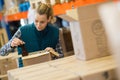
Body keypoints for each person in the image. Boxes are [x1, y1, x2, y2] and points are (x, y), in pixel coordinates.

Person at [0, 2, 63, 67]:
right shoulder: (23, 31)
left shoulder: (55, 32)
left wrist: (54, 54)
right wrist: (11, 45)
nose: (38, 25)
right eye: (36, 21)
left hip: (48, 69)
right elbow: (2, 52)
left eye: (42, 22)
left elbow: (61, 57)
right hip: (26, 71)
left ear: (49, 19)